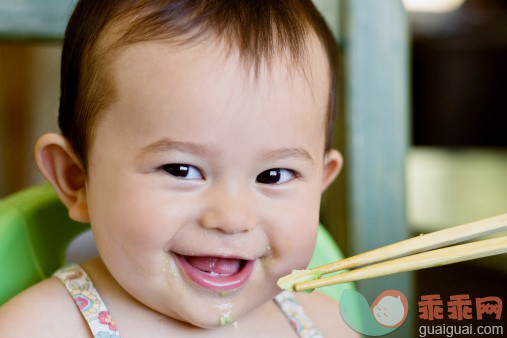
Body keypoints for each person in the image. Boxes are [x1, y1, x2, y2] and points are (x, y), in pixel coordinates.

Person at [0, 1, 359, 336]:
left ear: (320, 185)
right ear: (76, 178)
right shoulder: (41, 327)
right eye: (181, 170)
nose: (232, 219)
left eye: (273, 175)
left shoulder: (326, 324)